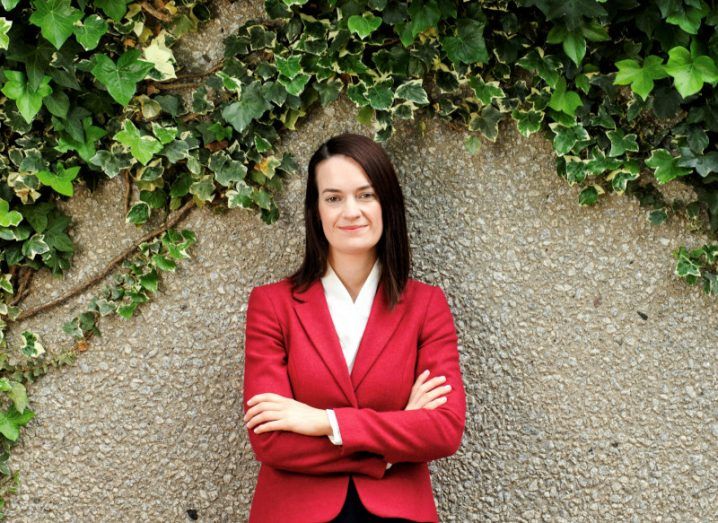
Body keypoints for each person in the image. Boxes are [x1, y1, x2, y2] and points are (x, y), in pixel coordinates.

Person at [242, 132, 467, 522]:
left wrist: (322, 421)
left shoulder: (426, 306)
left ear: (387, 204)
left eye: (366, 195)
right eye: (333, 198)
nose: (351, 211)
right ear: (316, 211)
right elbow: (270, 440)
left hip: (399, 513)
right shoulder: (272, 305)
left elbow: (443, 429)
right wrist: (390, 449)